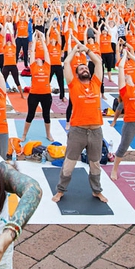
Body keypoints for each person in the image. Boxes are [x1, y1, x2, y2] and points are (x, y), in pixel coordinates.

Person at [53, 44, 107, 203]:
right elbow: (66, 64)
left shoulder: (96, 83)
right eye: (81, 68)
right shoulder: (73, 84)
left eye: (85, 68)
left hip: (96, 131)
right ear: (76, 74)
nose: (84, 69)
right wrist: (75, 50)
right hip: (78, 131)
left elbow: (98, 63)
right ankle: (60, 191)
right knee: (69, 164)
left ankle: (97, 191)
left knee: (95, 164)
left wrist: (87, 51)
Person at [111, 51, 135, 181]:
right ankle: (114, 170)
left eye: (130, 75)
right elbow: (121, 68)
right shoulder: (124, 90)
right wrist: (124, 57)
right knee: (123, 147)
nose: (128, 75)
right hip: (131, 122)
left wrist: (132, 57)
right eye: (126, 76)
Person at [20, 31, 53, 142]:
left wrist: (43, 40)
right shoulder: (33, 66)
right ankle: (24, 134)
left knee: (46, 115)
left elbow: (46, 52)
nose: (38, 58)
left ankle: (48, 134)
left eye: (40, 58)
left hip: (46, 94)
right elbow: (32, 53)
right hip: (34, 94)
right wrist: (34, 40)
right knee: (30, 115)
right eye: (36, 58)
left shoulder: (47, 67)